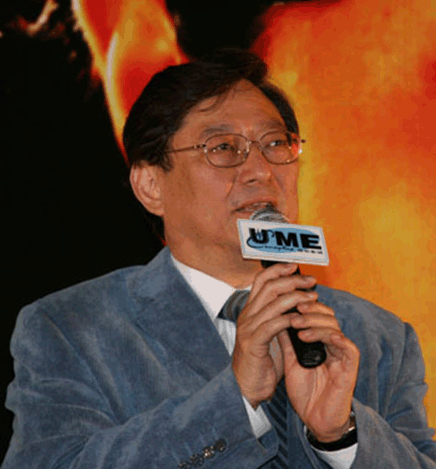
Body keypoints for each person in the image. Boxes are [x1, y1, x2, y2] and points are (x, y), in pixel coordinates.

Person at [3, 49, 436, 469]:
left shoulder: (378, 337)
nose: (261, 171)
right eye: (224, 148)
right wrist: (235, 400)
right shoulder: (69, 329)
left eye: (275, 144)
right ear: (151, 185)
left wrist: (342, 436)